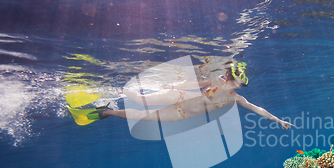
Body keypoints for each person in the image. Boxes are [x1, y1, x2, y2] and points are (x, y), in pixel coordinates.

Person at [86, 62, 294, 129]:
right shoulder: (216, 81)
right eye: (243, 79)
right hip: (180, 97)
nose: (245, 83)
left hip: (180, 115)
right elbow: (194, 83)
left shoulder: (236, 99)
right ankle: (115, 90)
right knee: (141, 100)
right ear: (234, 77)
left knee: (142, 117)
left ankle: (107, 112)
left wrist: (278, 120)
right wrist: (173, 85)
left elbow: (257, 109)